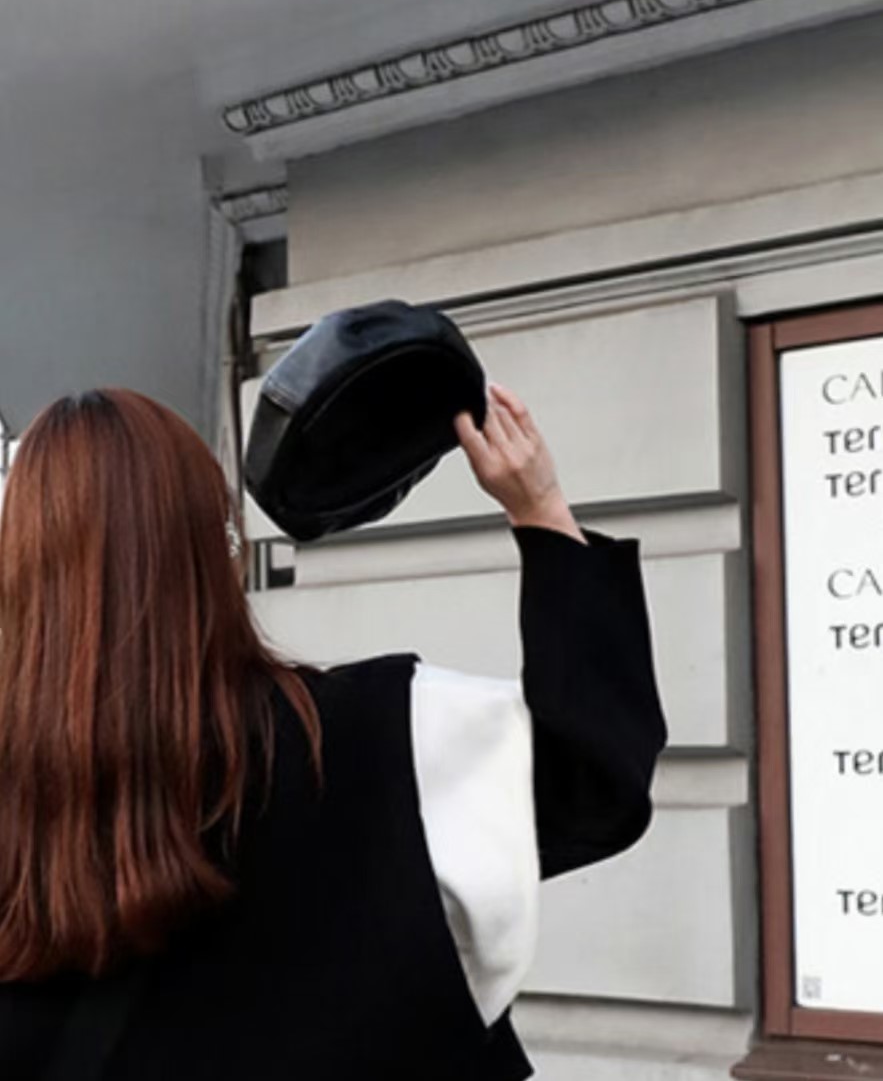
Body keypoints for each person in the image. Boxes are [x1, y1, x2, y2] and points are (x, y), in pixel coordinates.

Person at [0, 382, 666, 1081]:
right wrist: (540, 508)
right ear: (218, 547)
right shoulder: (388, 734)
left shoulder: (18, 796)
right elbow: (595, 782)